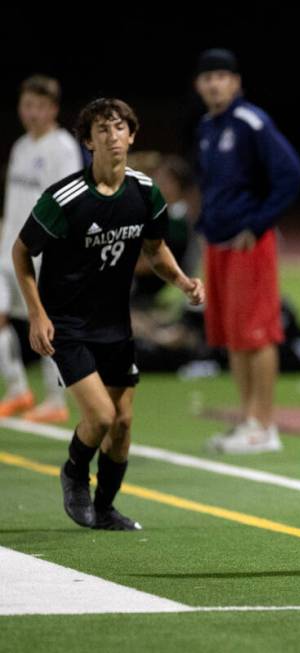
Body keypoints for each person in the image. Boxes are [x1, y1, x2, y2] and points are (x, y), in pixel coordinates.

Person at [11, 98, 204, 530]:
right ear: (88, 141)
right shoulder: (65, 198)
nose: (112, 136)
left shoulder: (144, 192)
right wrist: (38, 314)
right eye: (102, 130)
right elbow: (22, 253)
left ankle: (105, 508)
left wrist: (183, 282)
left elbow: (155, 250)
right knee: (100, 416)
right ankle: (74, 472)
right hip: (69, 324)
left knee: (123, 424)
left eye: (119, 128)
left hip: (116, 324)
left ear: (131, 136)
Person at [193, 48, 300, 454]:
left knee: (258, 334)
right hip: (218, 244)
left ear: (236, 82)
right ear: (198, 85)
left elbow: (291, 173)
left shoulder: (251, 122)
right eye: (207, 77)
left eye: (222, 76)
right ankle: (247, 421)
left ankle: (265, 424)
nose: (214, 83)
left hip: (249, 245)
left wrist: (256, 224)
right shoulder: (207, 127)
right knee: (233, 335)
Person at [0, 75, 82, 423]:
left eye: (39, 106)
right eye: (26, 105)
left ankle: (55, 401)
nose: (31, 113)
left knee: (43, 324)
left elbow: (68, 201)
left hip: (42, 253)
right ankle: (18, 388)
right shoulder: (20, 147)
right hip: (9, 250)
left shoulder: (62, 147)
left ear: (53, 109)